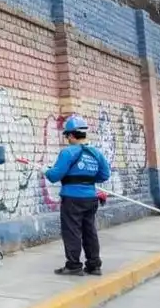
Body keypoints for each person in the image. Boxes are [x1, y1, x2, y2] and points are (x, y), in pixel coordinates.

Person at [44, 114, 112, 276]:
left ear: (72, 135)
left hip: (72, 199)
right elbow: (104, 175)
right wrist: (86, 178)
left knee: (72, 231)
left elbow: (54, 176)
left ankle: (74, 265)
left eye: (67, 135)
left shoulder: (68, 153)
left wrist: (46, 170)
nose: (67, 139)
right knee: (90, 231)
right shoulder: (96, 153)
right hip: (90, 198)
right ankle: (94, 265)